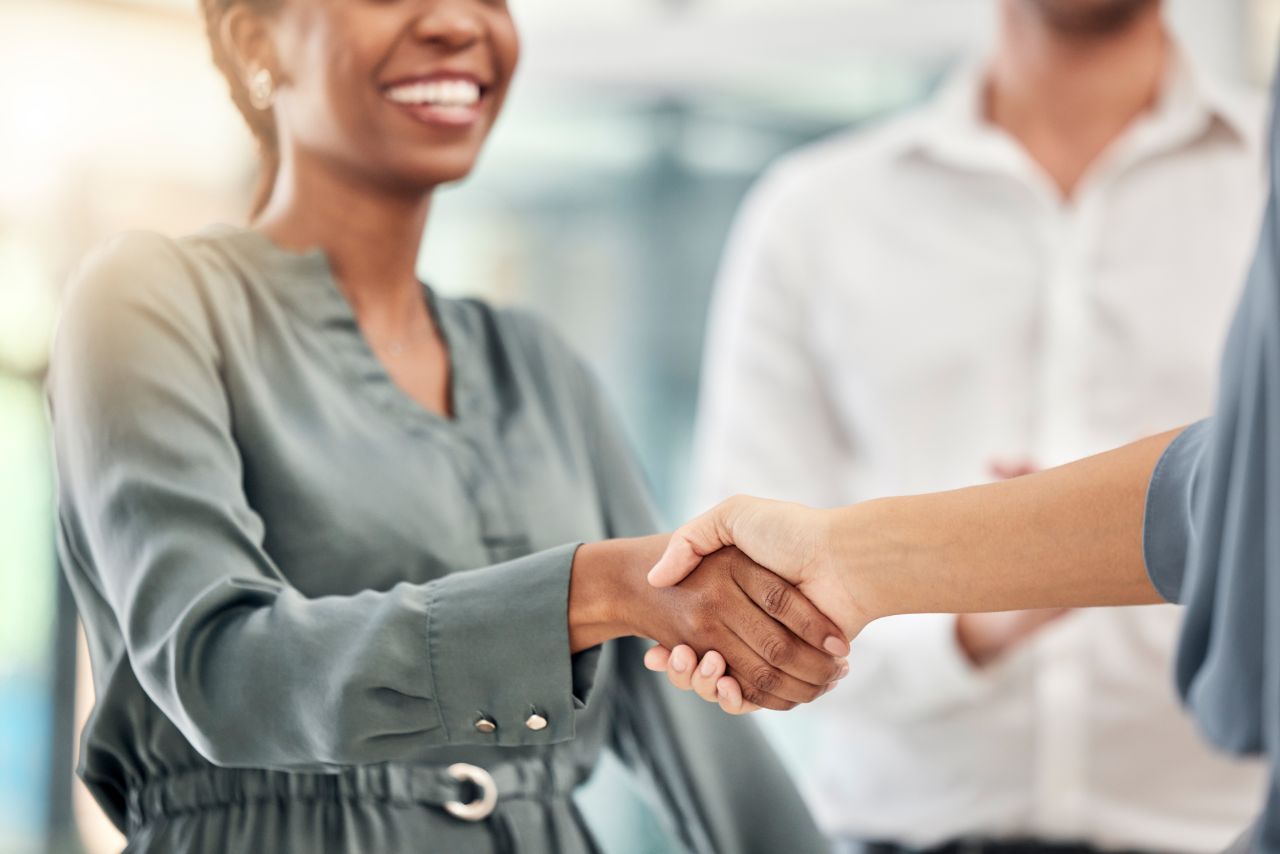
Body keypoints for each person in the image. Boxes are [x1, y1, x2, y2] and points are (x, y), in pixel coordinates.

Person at [47, 1, 851, 851]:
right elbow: (224, 671)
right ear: (257, 38)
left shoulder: (538, 366)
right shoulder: (147, 302)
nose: (457, 22)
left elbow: (694, 721)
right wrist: (597, 589)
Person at [674, 0, 1267, 850]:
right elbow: (747, 586)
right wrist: (972, 617)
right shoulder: (813, 213)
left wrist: (1024, 548)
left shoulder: (1265, 188)